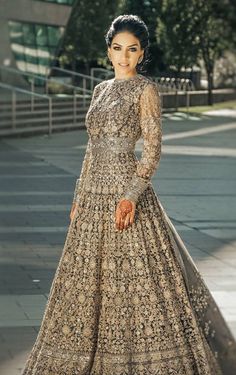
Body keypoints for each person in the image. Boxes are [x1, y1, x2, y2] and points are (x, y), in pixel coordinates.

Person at [21, 14, 236, 375]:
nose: (124, 56)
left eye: (132, 50)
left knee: (139, 281)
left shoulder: (145, 90)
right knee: (87, 281)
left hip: (126, 189)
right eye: (118, 49)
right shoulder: (100, 90)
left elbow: (152, 148)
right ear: (108, 52)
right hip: (92, 196)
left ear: (141, 54)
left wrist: (131, 195)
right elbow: (91, 148)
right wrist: (78, 195)